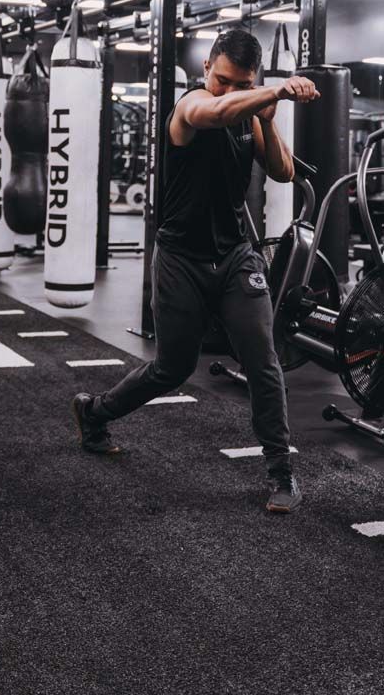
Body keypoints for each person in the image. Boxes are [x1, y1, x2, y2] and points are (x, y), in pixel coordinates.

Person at [72, 29, 320, 515]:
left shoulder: (249, 112)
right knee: (173, 367)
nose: (229, 89)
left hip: (234, 257)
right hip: (180, 258)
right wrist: (271, 91)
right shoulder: (190, 105)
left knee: (263, 360)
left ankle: (281, 472)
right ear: (207, 67)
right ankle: (94, 412)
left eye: (242, 84)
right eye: (223, 79)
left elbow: (283, 172)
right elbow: (216, 112)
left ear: (252, 80)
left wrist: (268, 118)